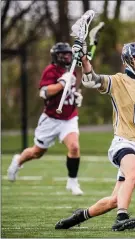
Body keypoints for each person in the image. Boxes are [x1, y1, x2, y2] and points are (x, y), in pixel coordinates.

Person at [54, 41, 135, 231]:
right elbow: (91, 80)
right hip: (124, 142)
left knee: (114, 199)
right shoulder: (119, 81)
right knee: (134, 174)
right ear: (130, 61)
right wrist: (85, 60)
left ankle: (79, 216)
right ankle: (122, 217)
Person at [7, 42, 84, 196]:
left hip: (68, 117)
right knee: (37, 152)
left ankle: (72, 181)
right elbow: (45, 92)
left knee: (74, 147)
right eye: (65, 54)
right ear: (57, 56)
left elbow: (69, 92)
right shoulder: (50, 71)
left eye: (70, 54)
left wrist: (75, 97)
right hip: (51, 119)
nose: (68, 56)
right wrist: (62, 83)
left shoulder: (72, 71)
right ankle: (18, 161)